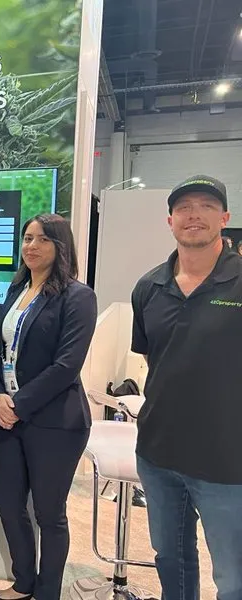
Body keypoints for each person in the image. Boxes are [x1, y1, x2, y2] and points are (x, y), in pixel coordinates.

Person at [131, 175, 242, 600]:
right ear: (170, 220)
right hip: (158, 454)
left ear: (225, 218)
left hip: (226, 460)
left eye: (206, 206)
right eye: (184, 208)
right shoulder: (149, 287)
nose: (194, 215)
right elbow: (154, 358)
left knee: (232, 576)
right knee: (171, 560)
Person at [0, 214, 97, 600]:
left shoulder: (78, 297)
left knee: (49, 512)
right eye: (28, 238)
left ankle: (48, 593)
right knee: (8, 503)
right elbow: (0, 351)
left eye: (42, 239)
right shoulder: (18, 289)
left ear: (60, 246)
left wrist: (18, 403)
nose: (31, 246)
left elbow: (67, 366)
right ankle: (24, 583)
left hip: (56, 421)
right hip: (10, 416)